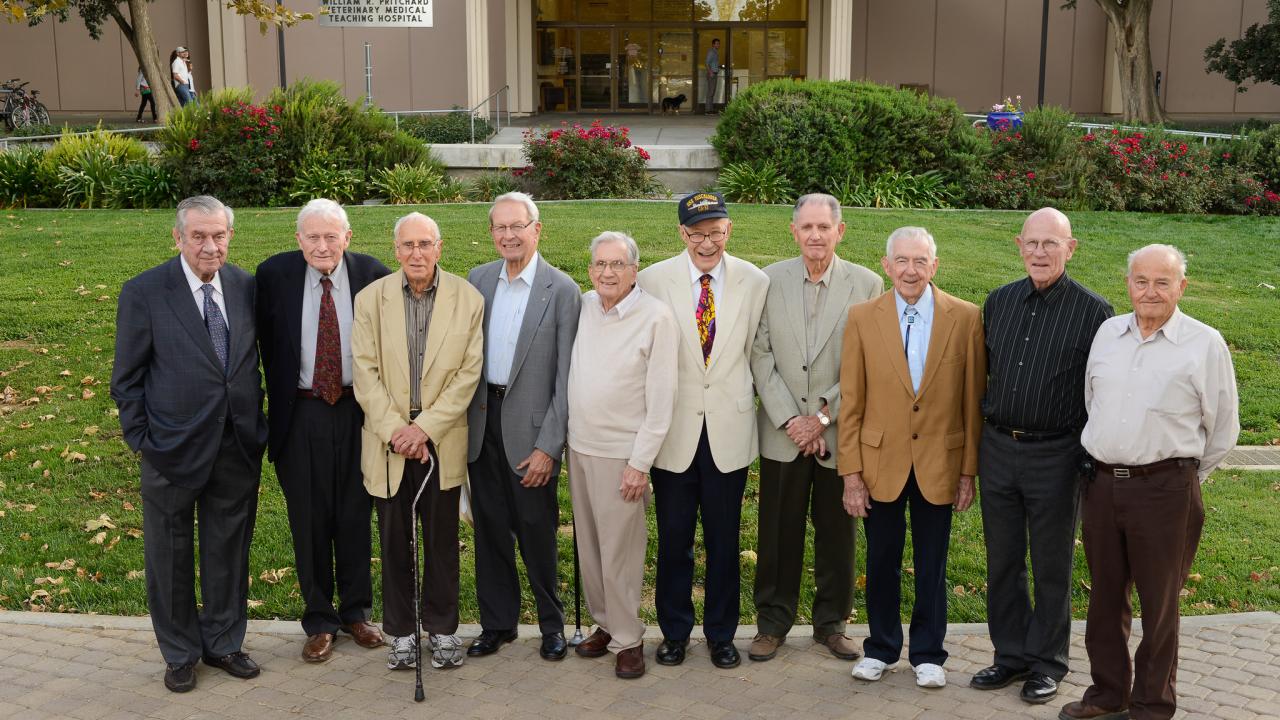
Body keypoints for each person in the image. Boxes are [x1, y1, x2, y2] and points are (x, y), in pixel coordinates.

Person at [1061, 244, 1239, 720]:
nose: (1151, 291)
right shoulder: (1107, 333)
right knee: (1104, 596)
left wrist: (1180, 477)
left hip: (1166, 490)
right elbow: (1091, 401)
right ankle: (1107, 694)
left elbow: (1222, 428)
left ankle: (1152, 703)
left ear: (1182, 286)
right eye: (1142, 281)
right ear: (1128, 284)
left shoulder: (1204, 344)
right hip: (1100, 485)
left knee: (1159, 603)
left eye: (1163, 282)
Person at [110, 195, 267, 693]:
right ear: (178, 238)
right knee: (169, 555)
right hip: (169, 448)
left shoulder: (244, 286)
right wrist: (142, 439)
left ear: (230, 237)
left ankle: (223, 642)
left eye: (218, 235)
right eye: (198, 236)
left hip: (235, 443)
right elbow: (127, 378)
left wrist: (256, 423)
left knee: (227, 549)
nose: (209, 245)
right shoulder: (145, 292)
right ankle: (179, 652)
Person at [970, 208, 1112, 705]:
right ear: (1018, 244)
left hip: (1056, 453)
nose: (1039, 253)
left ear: (1070, 249)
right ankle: (1010, 656)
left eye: (1050, 244)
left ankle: (1047, 663)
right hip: (998, 448)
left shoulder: (1096, 313)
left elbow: (1101, 391)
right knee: (1003, 559)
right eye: (1031, 243)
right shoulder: (999, 302)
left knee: (1052, 565)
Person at [838, 226, 985, 689]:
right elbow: (852, 401)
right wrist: (851, 474)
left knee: (932, 562)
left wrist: (968, 470)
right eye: (901, 260)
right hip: (881, 462)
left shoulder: (965, 317)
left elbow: (971, 400)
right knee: (881, 559)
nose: (910, 270)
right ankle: (879, 647)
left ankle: (928, 653)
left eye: (920, 261)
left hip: (939, 461)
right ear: (886, 265)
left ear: (934, 266)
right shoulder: (863, 317)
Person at [748, 193, 883, 663]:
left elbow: (867, 364)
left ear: (840, 231)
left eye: (824, 227)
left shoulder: (866, 285)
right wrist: (790, 418)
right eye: (807, 227)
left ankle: (832, 623)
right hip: (783, 434)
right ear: (794, 231)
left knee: (836, 533)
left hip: (837, 431)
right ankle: (772, 622)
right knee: (777, 531)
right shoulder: (768, 280)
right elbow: (759, 353)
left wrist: (823, 417)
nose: (816, 236)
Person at [636, 191, 769, 670]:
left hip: (728, 433)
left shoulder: (755, 282)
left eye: (716, 232)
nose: (707, 242)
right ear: (682, 234)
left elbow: (759, 351)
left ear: (729, 230)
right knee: (674, 540)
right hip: (673, 433)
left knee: (724, 541)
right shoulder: (652, 280)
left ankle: (721, 634)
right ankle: (674, 632)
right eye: (697, 233)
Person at [255, 199, 391, 663]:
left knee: (356, 513)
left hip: (359, 411)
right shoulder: (273, 277)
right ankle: (319, 618)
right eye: (312, 236)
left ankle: (356, 613)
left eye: (331, 236)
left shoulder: (374, 273)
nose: (322, 245)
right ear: (298, 240)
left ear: (347, 238)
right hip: (302, 413)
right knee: (309, 519)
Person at [352, 212, 484, 672]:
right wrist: (399, 432)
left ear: (439, 247)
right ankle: (402, 634)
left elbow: (468, 375)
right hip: (388, 442)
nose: (416, 254)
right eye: (407, 245)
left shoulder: (468, 298)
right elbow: (364, 373)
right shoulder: (370, 299)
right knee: (393, 540)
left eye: (425, 244)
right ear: (396, 250)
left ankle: (444, 631)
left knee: (442, 541)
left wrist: (425, 429)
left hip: (441, 440)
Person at [465, 191, 580, 661]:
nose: (509, 235)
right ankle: (498, 624)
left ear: (538, 230)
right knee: (489, 531)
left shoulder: (562, 289)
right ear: (491, 233)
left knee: (537, 532)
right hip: (482, 426)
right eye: (500, 227)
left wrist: (549, 447)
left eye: (518, 226)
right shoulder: (478, 280)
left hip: (532, 434)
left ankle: (551, 625)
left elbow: (567, 378)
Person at [567, 231, 679, 680]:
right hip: (579, 446)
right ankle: (605, 624)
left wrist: (639, 463)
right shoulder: (583, 305)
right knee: (590, 547)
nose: (608, 273)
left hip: (622, 455)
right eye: (600, 264)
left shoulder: (656, 318)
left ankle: (629, 639)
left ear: (635, 270)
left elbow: (662, 401)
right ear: (590, 269)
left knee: (620, 552)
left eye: (617, 265)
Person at [704, 38, 721, 114]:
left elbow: (713, 63)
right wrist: (710, 72)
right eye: (717, 43)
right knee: (710, 92)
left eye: (718, 43)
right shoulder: (711, 52)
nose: (718, 45)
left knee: (712, 92)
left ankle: (710, 109)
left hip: (714, 73)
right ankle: (707, 110)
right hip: (712, 74)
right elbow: (707, 63)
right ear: (713, 44)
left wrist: (718, 67)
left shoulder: (715, 52)